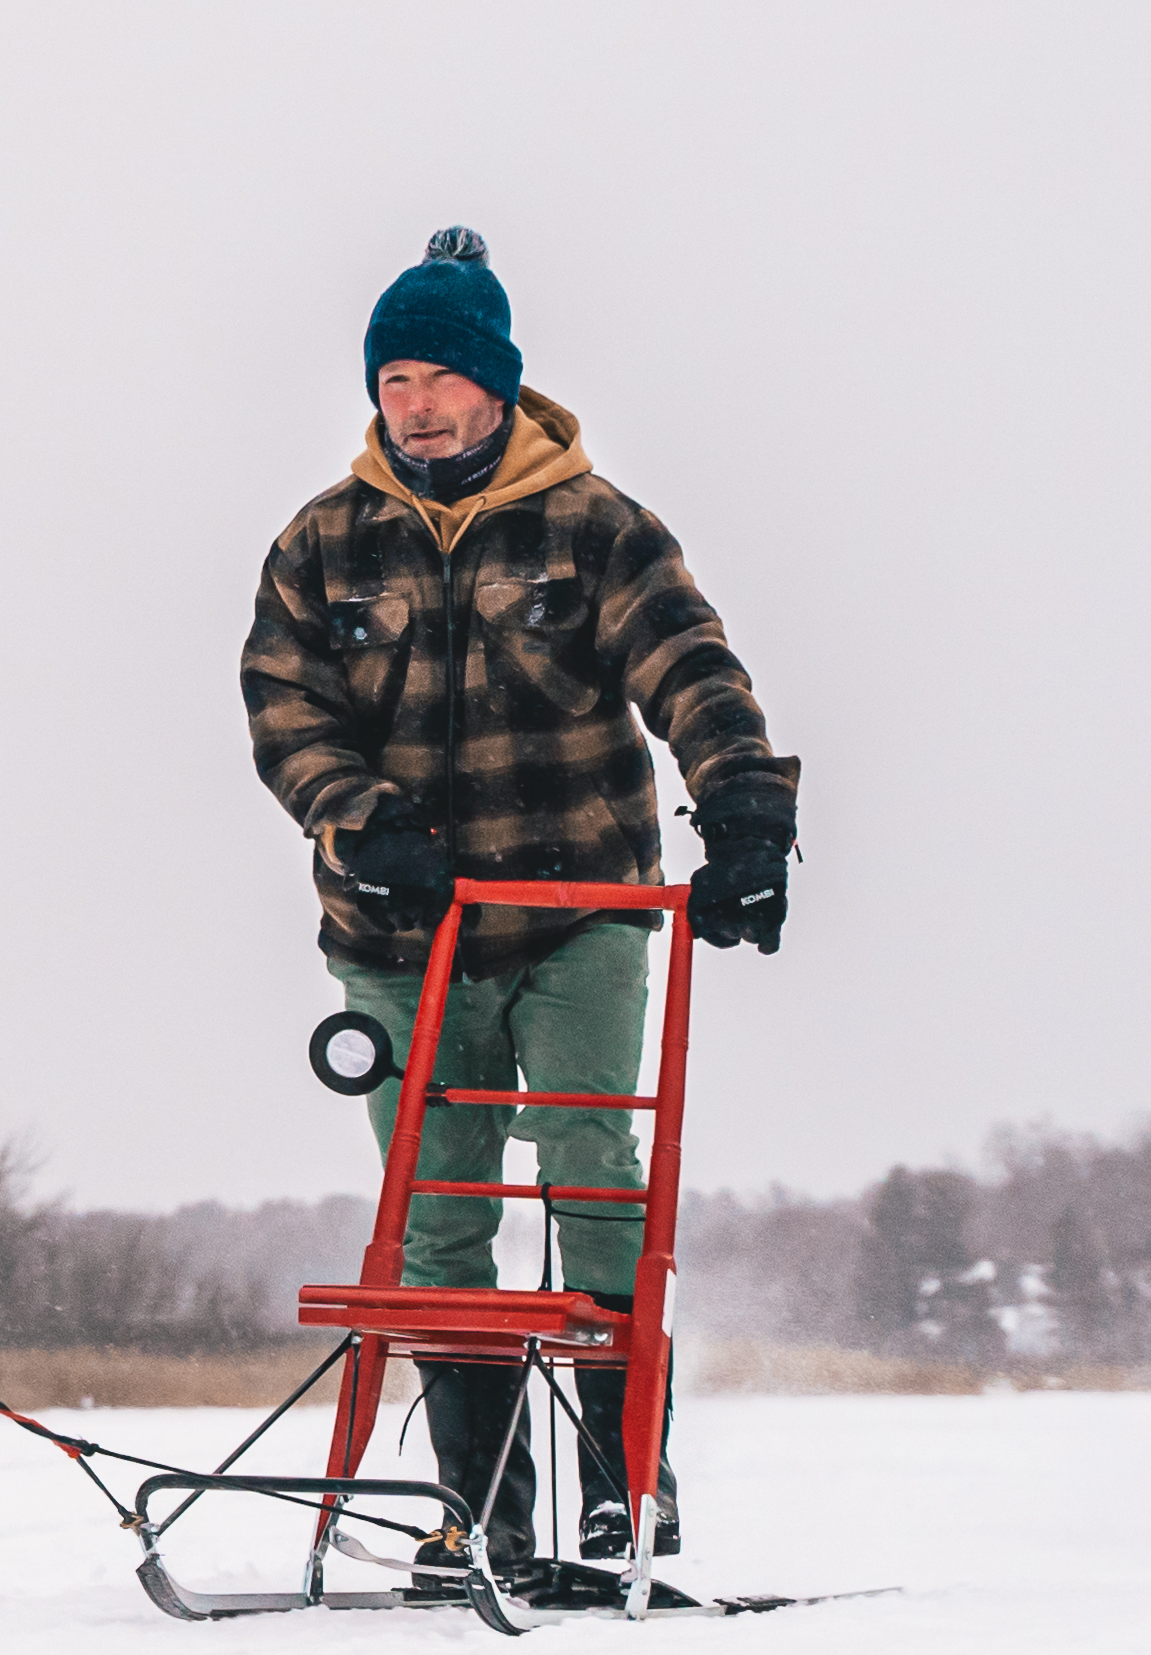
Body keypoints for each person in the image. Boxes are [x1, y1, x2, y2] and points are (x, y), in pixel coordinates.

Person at [240, 226, 800, 1574]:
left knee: (598, 1177)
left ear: (497, 384)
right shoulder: (324, 543)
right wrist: (360, 822)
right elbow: (283, 707)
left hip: (574, 910)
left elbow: (691, 669)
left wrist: (741, 814)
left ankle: (622, 1487)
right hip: (400, 929)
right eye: (393, 383)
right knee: (437, 1214)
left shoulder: (594, 528)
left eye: (437, 378)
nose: (415, 405)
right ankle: (480, 1507)